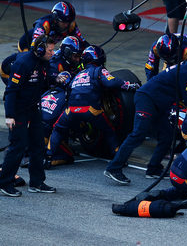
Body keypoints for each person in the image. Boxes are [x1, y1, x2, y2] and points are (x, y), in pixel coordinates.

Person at [104, 49, 187, 184]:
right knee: (138, 134)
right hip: (147, 99)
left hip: (160, 104)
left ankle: (153, 169)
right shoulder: (186, 72)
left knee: (167, 135)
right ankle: (113, 168)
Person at [45, 45, 140, 168]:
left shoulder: (77, 75)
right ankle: (118, 158)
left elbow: (68, 92)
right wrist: (129, 85)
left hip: (71, 110)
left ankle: (47, 157)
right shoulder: (98, 70)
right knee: (109, 130)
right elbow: (111, 82)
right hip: (90, 110)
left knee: (57, 129)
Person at [0, 35, 56, 197]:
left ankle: (37, 182)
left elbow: (46, 80)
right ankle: (4, 183)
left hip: (33, 108)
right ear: (40, 49)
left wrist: (57, 79)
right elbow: (10, 92)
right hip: (18, 110)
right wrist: (10, 116)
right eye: (50, 50)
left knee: (38, 144)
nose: (53, 53)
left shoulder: (44, 61)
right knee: (18, 145)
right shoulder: (23, 63)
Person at [18, 1, 89, 52]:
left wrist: (91, 50)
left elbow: (81, 42)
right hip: (27, 45)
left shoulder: (71, 25)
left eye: (68, 22)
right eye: (63, 22)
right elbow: (35, 45)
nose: (66, 25)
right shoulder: (43, 24)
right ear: (55, 20)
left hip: (46, 47)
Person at [41, 71, 75, 167]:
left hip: (31, 130)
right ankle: (47, 160)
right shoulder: (66, 98)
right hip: (45, 135)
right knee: (69, 155)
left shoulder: (46, 93)